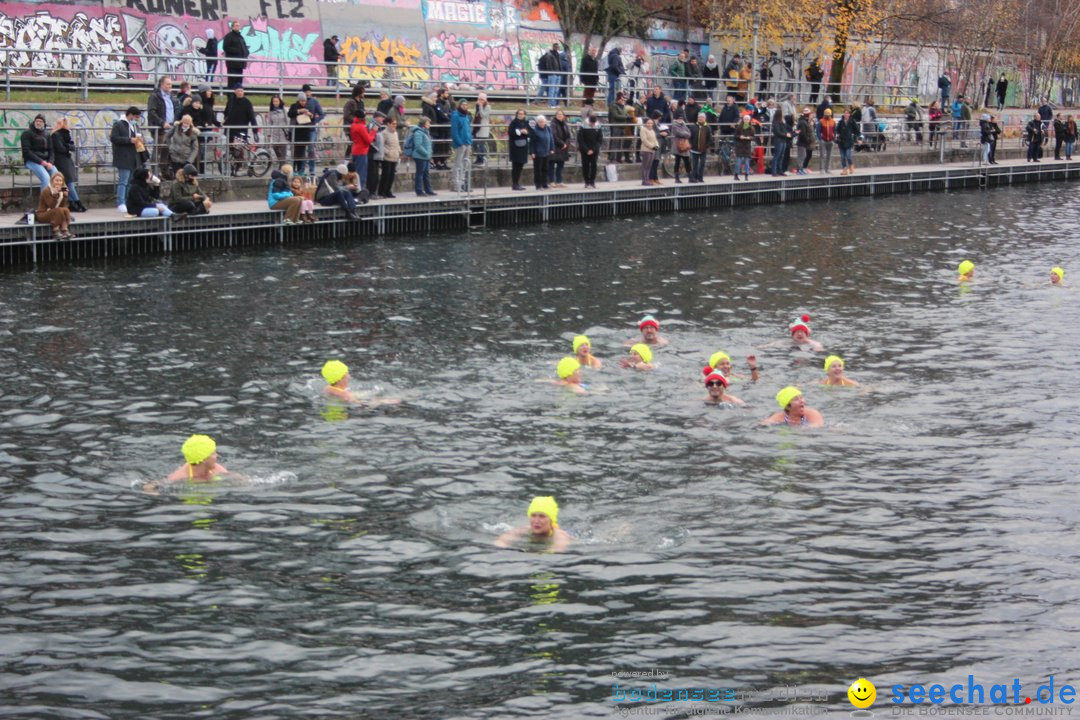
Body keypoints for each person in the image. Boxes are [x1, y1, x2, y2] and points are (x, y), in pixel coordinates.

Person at [144, 434, 232, 494]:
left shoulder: (216, 468)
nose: (217, 455)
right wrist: (153, 493)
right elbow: (150, 486)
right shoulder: (180, 476)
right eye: (213, 453)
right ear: (204, 459)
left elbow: (237, 478)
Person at [495, 496, 571, 552]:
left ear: (551, 520)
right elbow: (502, 541)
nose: (536, 521)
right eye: (533, 515)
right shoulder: (523, 530)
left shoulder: (560, 536)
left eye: (542, 516)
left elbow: (557, 550)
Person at [321, 360, 400, 406]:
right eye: (347, 374)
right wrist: (382, 402)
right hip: (341, 414)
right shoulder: (345, 394)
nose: (349, 376)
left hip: (335, 408)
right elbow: (360, 404)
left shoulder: (327, 388)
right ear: (341, 378)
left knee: (365, 393)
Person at [110, 107, 143, 214]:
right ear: (130, 115)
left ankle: (129, 201)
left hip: (134, 157)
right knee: (123, 181)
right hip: (123, 157)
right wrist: (129, 140)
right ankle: (121, 202)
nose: (136, 119)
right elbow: (114, 138)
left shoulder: (135, 125)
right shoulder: (119, 124)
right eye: (136, 117)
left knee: (130, 182)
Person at [48, 117, 85, 212]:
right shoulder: (55, 135)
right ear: (64, 124)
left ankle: (72, 203)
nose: (70, 126)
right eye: (68, 124)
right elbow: (60, 148)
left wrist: (67, 147)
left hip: (66, 160)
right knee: (68, 184)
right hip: (60, 161)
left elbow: (72, 146)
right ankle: (78, 203)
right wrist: (68, 147)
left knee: (67, 184)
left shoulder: (66, 134)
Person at [147, 76, 180, 177]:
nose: (170, 86)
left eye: (171, 84)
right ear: (161, 84)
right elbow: (152, 112)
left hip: (170, 128)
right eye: (168, 84)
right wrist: (162, 123)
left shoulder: (172, 97)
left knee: (166, 151)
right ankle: (155, 172)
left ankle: (164, 173)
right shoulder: (155, 96)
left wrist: (174, 121)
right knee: (158, 149)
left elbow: (175, 110)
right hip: (160, 129)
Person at [21, 113, 58, 192]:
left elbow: (51, 150)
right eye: (37, 121)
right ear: (34, 122)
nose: (38, 123)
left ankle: (56, 199)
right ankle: (43, 202)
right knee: (46, 177)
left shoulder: (47, 134)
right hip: (31, 161)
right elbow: (27, 152)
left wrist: (51, 162)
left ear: (44, 124)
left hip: (47, 161)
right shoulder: (26, 133)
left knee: (57, 177)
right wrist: (42, 162)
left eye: (41, 121)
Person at [223, 85, 258, 164]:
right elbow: (226, 113)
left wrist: (255, 131)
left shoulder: (247, 102)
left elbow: (252, 117)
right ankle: (232, 166)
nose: (240, 93)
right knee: (231, 149)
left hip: (240, 131)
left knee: (238, 149)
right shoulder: (231, 101)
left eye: (241, 91)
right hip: (230, 130)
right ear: (235, 92)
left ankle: (239, 165)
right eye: (238, 91)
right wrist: (225, 121)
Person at [36, 172, 74, 239]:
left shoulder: (62, 190)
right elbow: (51, 205)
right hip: (42, 214)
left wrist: (65, 196)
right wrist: (55, 195)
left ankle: (64, 230)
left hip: (54, 212)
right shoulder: (47, 191)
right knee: (59, 210)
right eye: (57, 180)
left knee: (65, 209)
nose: (59, 183)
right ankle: (55, 230)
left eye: (60, 181)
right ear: (52, 181)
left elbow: (62, 206)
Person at [289, 92, 319, 178]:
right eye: (302, 101)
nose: (303, 103)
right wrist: (299, 111)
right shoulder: (294, 106)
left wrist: (311, 115)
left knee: (302, 152)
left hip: (304, 132)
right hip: (296, 132)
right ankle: (294, 170)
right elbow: (290, 114)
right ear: (298, 100)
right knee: (296, 152)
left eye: (304, 101)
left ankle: (300, 170)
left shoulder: (308, 107)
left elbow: (312, 119)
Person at [408, 116, 435, 197]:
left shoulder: (426, 132)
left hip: (426, 156)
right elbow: (418, 145)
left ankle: (428, 190)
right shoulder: (418, 132)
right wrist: (426, 153)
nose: (429, 124)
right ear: (423, 124)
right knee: (420, 173)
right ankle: (419, 191)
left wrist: (429, 154)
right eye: (428, 123)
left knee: (426, 173)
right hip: (420, 156)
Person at [349, 110, 375, 191]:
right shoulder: (361, 127)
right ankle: (360, 191)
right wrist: (373, 131)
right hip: (362, 152)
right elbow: (368, 140)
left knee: (355, 173)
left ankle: (354, 189)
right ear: (362, 118)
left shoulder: (353, 125)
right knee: (361, 174)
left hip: (355, 150)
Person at [450, 100, 473, 193]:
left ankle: (462, 183)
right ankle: (456, 184)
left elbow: (468, 128)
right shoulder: (456, 116)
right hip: (461, 144)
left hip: (467, 142)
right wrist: (459, 142)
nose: (465, 106)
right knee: (458, 164)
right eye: (463, 104)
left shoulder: (466, 116)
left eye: (466, 105)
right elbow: (454, 131)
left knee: (465, 164)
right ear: (459, 105)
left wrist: (470, 140)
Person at [577, 112, 602, 188]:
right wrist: (587, 149)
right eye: (592, 123)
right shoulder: (583, 126)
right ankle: (586, 181)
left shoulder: (598, 126)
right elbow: (580, 140)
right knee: (585, 166)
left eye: (594, 123)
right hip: (585, 150)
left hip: (594, 150)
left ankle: (592, 181)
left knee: (594, 165)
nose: (593, 125)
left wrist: (594, 149)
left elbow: (600, 140)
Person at [378, 117, 400, 199]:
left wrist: (399, 151)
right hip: (387, 158)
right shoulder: (384, 133)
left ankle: (388, 191)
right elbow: (381, 145)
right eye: (393, 124)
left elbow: (397, 144)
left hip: (394, 157)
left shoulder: (395, 133)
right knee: (385, 176)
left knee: (391, 176)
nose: (395, 125)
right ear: (388, 124)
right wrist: (388, 152)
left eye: (395, 124)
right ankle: (382, 191)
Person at [507, 109, 530, 191]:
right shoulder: (513, 123)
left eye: (522, 114)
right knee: (515, 166)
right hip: (515, 148)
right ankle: (515, 184)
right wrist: (520, 131)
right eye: (519, 113)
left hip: (523, 147)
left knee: (520, 166)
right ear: (517, 114)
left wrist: (526, 132)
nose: (521, 115)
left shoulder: (526, 123)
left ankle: (517, 183)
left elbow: (531, 133)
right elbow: (510, 133)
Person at [548, 109, 571, 188]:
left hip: (563, 148)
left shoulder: (565, 124)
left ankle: (559, 181)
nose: (559, 115)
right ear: (556, 115)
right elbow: (554, 136)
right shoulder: (553, 124)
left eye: (561, 114)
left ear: (563, 116)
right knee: (551, 165)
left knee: (560, 166)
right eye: (558, 114)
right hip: (555, 147)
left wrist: (566, 144)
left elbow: (568, 136)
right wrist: (562, 143)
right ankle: (551, 181)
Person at [223, 20, 249, 90]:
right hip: (232, 64)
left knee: (239, 81)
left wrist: (246, 52)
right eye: (236, 25)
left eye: (239, 25)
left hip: (240, 64)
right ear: (232, 27)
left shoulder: (240, 37)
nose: (238, 27)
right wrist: (237, 51)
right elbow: (226, 47)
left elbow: (244, 47)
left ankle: (238, 96)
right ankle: (231, 96)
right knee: (232, 81)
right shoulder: (229, 36)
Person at [529, 114, 553, 191]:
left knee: (545, 169)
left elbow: (551, 139)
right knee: (538, 170)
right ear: (537, 123)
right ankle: (538, 185)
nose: (542, 123)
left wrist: (552, 148)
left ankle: (544, 184)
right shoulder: (535, 131)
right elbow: (531, 143)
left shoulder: (548, 129)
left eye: (543, 122)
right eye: (540, 122)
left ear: (545, 122)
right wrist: (532, 152)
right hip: (538, 153)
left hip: (546, 152)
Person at [265, 96, 290, 164]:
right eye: (274, 101)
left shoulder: (284, 110)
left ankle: (283, 165)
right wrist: (268, 133)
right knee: (275, 147)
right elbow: (269, 123)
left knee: (283, 150)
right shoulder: (271, 111)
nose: (275, 103)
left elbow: (287, 120)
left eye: (276, 101)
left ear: (280, 102)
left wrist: (288, 130)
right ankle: (281, 163)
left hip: (283, 133)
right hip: (275, 133)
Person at [688, 113, 712, 183]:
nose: (700, 119)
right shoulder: (693, 127)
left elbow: (709, 139)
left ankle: (700, 177)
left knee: (702, 164)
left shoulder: (707, 127)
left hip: (703, 149)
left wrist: (707, 146)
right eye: (699, 117)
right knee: (694, 164)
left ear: (704, 119)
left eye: (701, 118)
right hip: (694, 149)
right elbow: (690, 137)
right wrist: (691, 145)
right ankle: (694, 177)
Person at [732, 112, 755, 181]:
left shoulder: (752, 128)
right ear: (743, 120)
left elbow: (753, 137)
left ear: (749, 120)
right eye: (745, 119)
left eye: (747, 119)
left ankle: (746, 175)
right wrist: (740, 137)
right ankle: (736, 175)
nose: (746, 121)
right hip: (740, 146)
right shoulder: (739, 127)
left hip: (747, 147)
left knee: (747, 163)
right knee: (738, 162)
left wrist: (749, 138)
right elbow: (735, 136)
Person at [670, 114, 691, 183]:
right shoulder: (674, 125)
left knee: (687, 162)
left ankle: (690, 177)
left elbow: (689, 133)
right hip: (677, 146)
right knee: (677, 162)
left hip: (685, 146)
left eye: (681, 119)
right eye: (679, 119)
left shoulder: (684, 125)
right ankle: (677, 178)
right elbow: (678, 133)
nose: (681, 120)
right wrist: (685, 133)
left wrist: (684, 133)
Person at [770, 108, 791, 176]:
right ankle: (774, 171)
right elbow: (778, 132)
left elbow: (784, 130)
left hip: (783, 140)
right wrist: (785, 134)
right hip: (778, 140)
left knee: (781, 156)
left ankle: (780, 170)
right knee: (777, 156)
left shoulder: (782, 121)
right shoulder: (776, 122)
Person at [795, 107, 816, 175]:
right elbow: (802, 133)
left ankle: (801, 169)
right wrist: (808, 140)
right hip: (802, 142)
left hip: (804, 142)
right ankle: (799, 169)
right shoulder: (802, 122)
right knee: (801, 156)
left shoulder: (804, 121)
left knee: (803, 156)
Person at [836, 109, 857, 175]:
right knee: (842, 157)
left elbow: (857, 131)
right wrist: (838, 135)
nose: (846, 114)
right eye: (845, 113)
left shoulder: (852, 121)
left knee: (848, 156)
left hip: (849, 141)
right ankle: (844, 169)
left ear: (849, 114)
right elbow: (837, 130)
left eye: (847, 113)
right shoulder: (840, 122)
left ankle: (851, 166)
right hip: (841, 141)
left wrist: (854, 138)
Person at [639, 117, 659, 186]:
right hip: (646, 150)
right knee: (645, 166)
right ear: (646, 123)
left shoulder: (652, 130)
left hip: (652, 150)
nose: (650, 124)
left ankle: (647, 179)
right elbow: (644, 140)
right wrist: (652, 146)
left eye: (651, 123)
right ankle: (644, 180)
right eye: (648, 123)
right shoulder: (643, 130)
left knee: (649, 166)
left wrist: (656, 146)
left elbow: (655, 139)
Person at [472, 93, 491, 166]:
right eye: (479, 99)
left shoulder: (488, 107)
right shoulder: (477, 106)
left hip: (484, 128)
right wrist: (477, 107)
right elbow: (476, 115)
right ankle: (478, 159)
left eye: (482, 100)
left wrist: (480, 107)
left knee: (481, 144)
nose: (480, 101)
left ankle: (483, 160)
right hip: (477, 128)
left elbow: (483, 115)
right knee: (475, 144)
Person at [817, 108, 835, 174]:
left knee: (829, 155)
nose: (827, 116)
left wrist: (834, 139)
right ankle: (822, 169)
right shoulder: (821, 121)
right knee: (822, 155)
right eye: (826, 115)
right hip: (823, 140)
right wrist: (820, 139)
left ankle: (828, 169)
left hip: (830, 140)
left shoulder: (833, 121)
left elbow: (835, 131)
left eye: (829, 115)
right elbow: (818, 131)